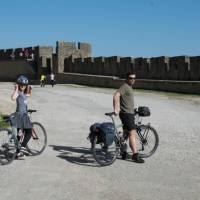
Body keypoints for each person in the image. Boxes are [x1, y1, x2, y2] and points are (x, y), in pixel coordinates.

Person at [113, 72, 145, 163]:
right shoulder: (125, 86)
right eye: (131, 78)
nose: (133, 80)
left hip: (128, 113)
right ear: (127, 78)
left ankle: (123, 152)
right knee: (132, 133)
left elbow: (126, 100)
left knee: (126, 133)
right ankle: (135, 155)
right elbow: (116, 95)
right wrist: (116, 109)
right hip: (126, 114)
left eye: (134, 78)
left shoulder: (129, 87)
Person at [11, 75, 32, 159]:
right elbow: (13, 97)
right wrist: (16, 89)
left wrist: (30, 89)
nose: (23, 86)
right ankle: (22, 147)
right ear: (19, 85)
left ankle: (18, 153)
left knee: (19, 135)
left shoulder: (23, 93)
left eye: (24, 85)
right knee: (29, 132)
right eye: (21, 85)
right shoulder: (18, 93)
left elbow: (29, 95)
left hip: (24, 116)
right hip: (20, 116)